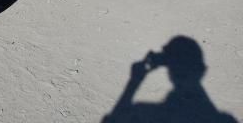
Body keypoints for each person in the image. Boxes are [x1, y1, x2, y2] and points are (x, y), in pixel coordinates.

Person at [102, 36, 237, 123]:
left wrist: (135, 81)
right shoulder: (225, 119)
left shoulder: (142, 111)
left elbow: (113, 118)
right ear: (201, 69)